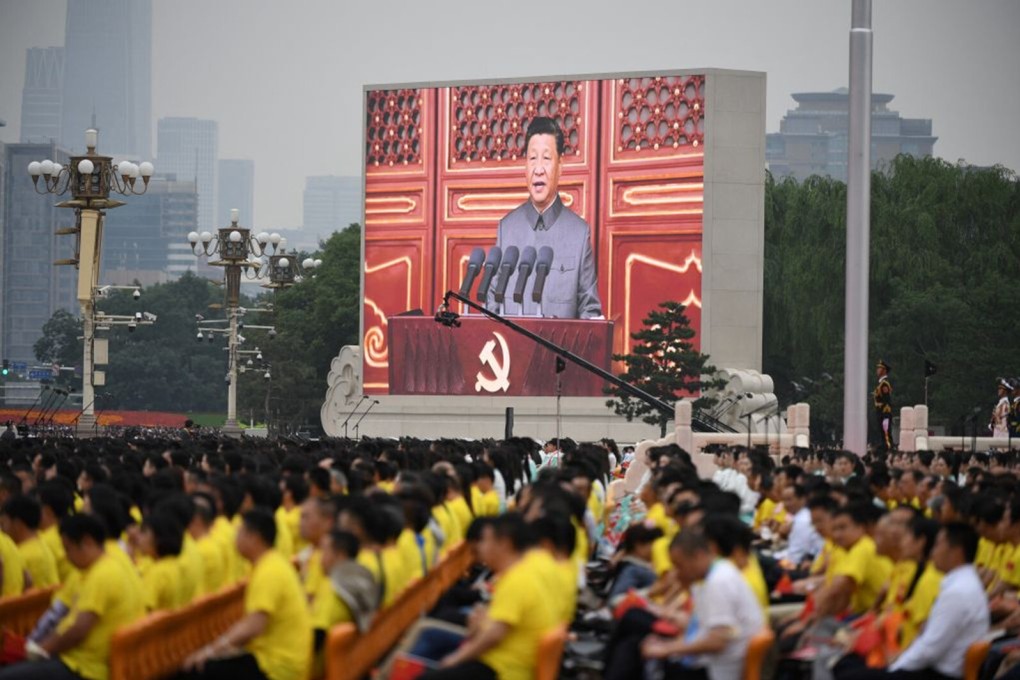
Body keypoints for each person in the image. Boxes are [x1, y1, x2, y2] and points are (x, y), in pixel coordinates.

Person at [834, 522, 989, 679]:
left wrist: (896, 666)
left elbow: (930, 648)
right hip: (927, 665)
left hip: (938, 674)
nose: (933, 552)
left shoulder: (957, 592)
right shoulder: (961, 584)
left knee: (848, 672)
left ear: (956, 552)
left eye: (937, 545)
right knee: (848, 665)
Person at [0, 514, 144, 680]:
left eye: (68, 549)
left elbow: (78, 630)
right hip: (88, 661)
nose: (67, 557)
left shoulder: (102, 576)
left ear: (87, 542)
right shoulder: (113, 564)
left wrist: (41, 650)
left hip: (83, 667)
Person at [486, 116, 602, 319]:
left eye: (546, 159)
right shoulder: (507, 228)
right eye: (532, 159)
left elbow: (590, 311)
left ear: (560, 166)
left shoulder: (579, 233)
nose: (538, 169)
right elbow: (492, 305)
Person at [421, 513, 558, 680]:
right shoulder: (525, 570)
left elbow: (493, 635)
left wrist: (455, 659)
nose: (480, 547)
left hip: (502, 669)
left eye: (485, 540)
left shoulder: (517, 580)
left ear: (504, 544)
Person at [181, 508, 312, 680]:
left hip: (277, 667)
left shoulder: (269, 572)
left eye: (239, 532)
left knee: (199, 669)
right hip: (275, 658)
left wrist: (211, 650)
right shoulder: (271, 564)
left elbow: (253, 625)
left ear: (254, 537)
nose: (235, 538)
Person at [873, 360, 894, 453]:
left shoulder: (884, 384)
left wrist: (885, 415)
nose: (877, 370)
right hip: (880, 413)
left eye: (879, 368)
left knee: (886, 435)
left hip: (884, 413)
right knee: (882, 435)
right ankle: (885, 451)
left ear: (884, 371)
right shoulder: (881, 383)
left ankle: (890, 451)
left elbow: (887, 401)